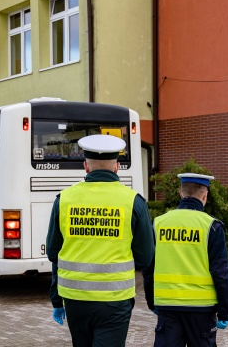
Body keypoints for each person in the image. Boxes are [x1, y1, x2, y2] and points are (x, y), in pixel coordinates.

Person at [46, 134, 155, 347]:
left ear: (85, 166)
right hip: (114, 300)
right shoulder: (133, 202)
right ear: (117, 167)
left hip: (75, 299)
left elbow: (53, 253)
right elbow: (145, 258)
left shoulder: (64, 199)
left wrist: (56, 298)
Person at [142, 173, 228, 347]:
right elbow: (221, 273)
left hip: (168, 307)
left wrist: (151, 301)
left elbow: (148, 267)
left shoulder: (158, 224)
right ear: (205, 195)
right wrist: (225, 312)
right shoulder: (211, 227)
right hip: (202, 311)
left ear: (180, 193)